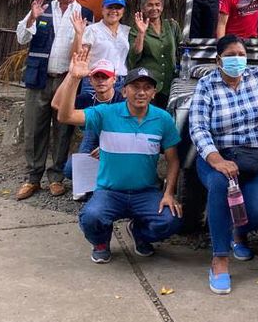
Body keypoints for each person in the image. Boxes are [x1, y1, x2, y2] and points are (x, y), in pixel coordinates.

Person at [189, 28, 258, 295]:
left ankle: (238, 233)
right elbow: (198, 127)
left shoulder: (257, 76)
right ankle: (220, 259)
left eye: (241, 54)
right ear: (218, 60)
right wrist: (216, 159)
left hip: (255, 158)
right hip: (219, 156)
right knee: (220, 184)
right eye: (231, 55)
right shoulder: (207, 85)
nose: (237, 59)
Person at [56, 53, 183, 262]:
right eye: (135, 87)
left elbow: (173, 160)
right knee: (91, 217)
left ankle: (140, 234)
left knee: (171, 220)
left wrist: (169, 193)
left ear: (154, 93)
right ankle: (101, 242)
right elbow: (65, 116)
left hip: (146, 192)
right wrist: (74, 78)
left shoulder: (163, 119)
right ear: (123, 91)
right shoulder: (105, 113)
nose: (141, 92)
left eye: (147, 88)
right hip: (110, 192)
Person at [14, 0, 93, 200]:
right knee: (34, 129)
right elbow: (21, 38)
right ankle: (32, 178)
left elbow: (86, 48)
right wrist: (32, 18)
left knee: (63, 129)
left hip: (66, 80)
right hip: (39, 78)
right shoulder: (42, 8)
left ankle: (56, 177)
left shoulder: (85, 14)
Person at [57, 59, 124, 187]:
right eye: (97, 77)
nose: (101, 80)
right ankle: (96, 178)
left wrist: (108, 147)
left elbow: (132, 131)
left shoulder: (122, 101)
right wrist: (72, 76)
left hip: (118, 142)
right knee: (69, 170)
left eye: (105, 77)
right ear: (90, 80)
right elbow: (57, 104)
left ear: (114, 79)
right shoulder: (87, 99)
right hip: (93, 142)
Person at [128, 0, 181, 109]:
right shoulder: (136, 29)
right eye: (150, 5)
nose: (154, 8)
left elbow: (181, 50)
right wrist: (141, 33)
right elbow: (134, 55)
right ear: (143, 8)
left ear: (162, 6)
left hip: (169, 86)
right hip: (148, 86)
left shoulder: (172, 25)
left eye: (157, 4)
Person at [73, 0, 130, 91]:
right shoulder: (92, 30)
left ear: (123, 10)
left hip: (120, 81)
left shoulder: (127, 31)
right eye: (110, 7)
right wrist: (78, 34)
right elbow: (80, 55)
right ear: (102, 9)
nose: (114, 11)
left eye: (118, 7)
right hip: (97, 79)